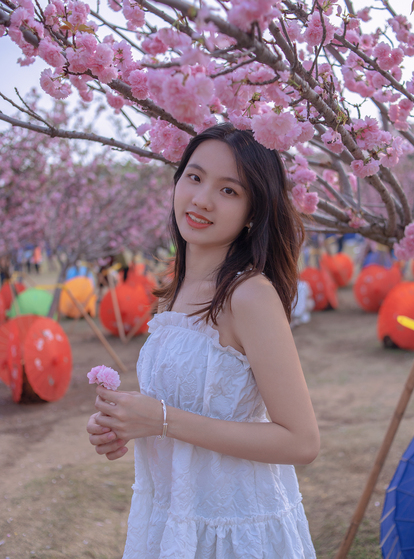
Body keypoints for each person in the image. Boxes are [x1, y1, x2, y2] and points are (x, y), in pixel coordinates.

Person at [86, 123, 320, 558]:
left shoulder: (249, 295)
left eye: (229, 190)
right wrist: (125, 421)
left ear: (253, 211)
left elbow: (302, 441)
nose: (202, 199)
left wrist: (162, 420)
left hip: (234, 528)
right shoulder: (174, 291)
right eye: (194, 177)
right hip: (173, 519)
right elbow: (186, 404)